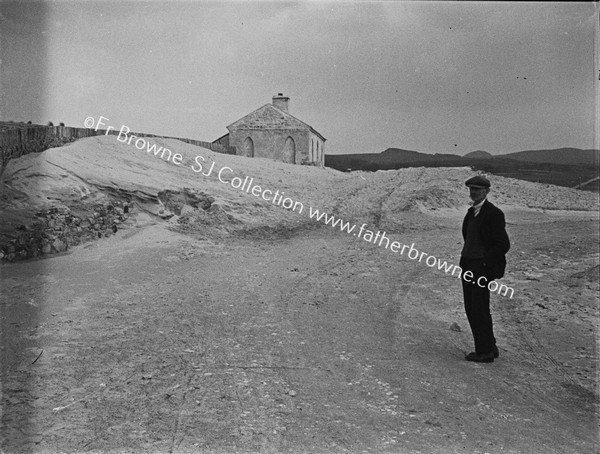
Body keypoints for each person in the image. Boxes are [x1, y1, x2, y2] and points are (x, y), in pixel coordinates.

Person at [460, 175, 510, 363]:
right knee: (473, 308)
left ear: (487, 191)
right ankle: (490, 346)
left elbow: (502, 244)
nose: (473, 193)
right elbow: (469, 237)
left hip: (479, 268)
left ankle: (485, 351)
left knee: (478, 309)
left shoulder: (493, 214)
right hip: (468, 265)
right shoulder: (471, 212)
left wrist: (484, 264)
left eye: (477, 190)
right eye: (471, 189)